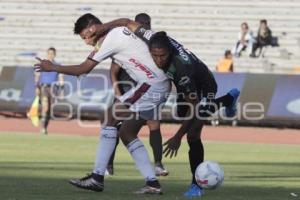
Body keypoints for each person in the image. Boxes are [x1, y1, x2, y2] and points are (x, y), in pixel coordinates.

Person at [90, 18, 240, 197]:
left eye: (162, 56)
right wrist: (104, 27)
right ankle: (228, 99)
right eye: (155, 56)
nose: (159, 60)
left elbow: (194, 108)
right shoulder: (153, 39)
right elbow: (126, 22)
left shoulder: (183, 72)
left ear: (168, 52)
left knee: (192, 132)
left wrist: (177, 137)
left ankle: (196, 185)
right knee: (180, 113)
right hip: (185, 88)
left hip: (203, 85)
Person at [34, 13, 170, 194]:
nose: (85, 42)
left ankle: (97, 177)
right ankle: (152, 183)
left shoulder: (110, 40)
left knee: (109, 116)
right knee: (127, 133)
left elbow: (83, 68)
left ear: (93, 29)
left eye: (85, 37)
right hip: (156, 84)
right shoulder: (117, 33)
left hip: (152, 85)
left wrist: (53, 67)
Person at [107, 12, 169, 177]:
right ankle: (108, 165)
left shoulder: (153, 45)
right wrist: (118, 94)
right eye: (141, 23)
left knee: (154, 123)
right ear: (135, 25)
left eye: (147, 23)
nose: (145, 26)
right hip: (126, 90)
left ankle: (158, 165)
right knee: (114, 125)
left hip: (147, 91)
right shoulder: (126, 43)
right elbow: (113, 72)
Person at [34, 47, 64, 134]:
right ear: (47, 54)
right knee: (45, 107)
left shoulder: (57, 65)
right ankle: (42, 128)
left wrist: (61, 90)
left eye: (52, 54)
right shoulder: (42, 64)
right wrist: (36, 87)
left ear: (55, 55)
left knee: (50, 109)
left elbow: (61, 78)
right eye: (49, 54)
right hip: (44, 87)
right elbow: (37, 76)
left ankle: (45, 127)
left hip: (53, 88)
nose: (51, 55)